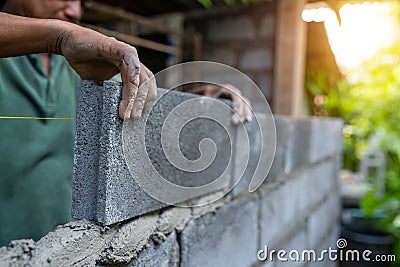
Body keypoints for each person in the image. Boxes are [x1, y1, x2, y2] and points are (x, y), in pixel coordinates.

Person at [0, 0, 251, 246]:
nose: (75, 10)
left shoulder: (76, 69)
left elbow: (137, 112)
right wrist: (60, 36)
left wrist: (204, 103)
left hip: (62, 248)